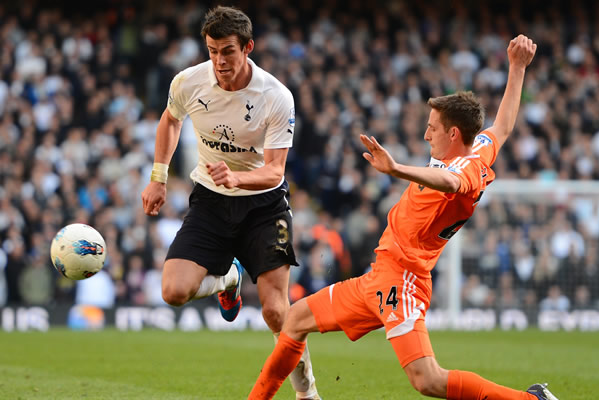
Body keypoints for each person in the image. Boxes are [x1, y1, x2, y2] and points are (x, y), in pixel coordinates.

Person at [249, 35, 559, 400]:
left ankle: (532, 399)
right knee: (295, 319)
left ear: (453, 133)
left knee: (427, 380)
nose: (426, 132)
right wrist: (517, 68)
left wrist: (397, 169)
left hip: (404, 281)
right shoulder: (480, 148)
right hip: (379, 275)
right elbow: (503, 126)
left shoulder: (466, 169)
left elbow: (450, 180)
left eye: (433, 127)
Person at [140, 6, 320, 400]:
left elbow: (275, 172)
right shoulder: (189, 82)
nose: (219, 61)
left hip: (266, 206)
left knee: (275, 310)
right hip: (210, 200)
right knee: (172, 291)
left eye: (228, 52)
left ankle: (306, 393)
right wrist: (158, 177)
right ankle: (229, 278)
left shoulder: (276, 96)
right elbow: (170, 120)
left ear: (248, 48)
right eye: (212, 50)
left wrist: (237, 177)